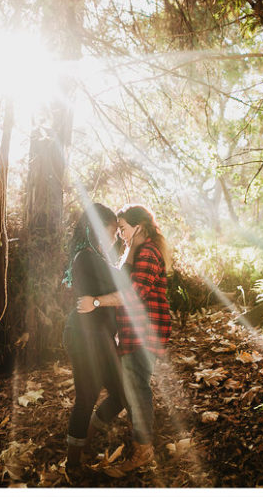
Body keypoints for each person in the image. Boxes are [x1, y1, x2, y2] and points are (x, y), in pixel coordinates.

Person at [76, 204, 172, 476]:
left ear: (138, 227)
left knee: (137, 389)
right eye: (117, 230)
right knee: (125, 389)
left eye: (123, 229)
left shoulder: (149, 253)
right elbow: (121, 277)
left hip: (145, 331)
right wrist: (129, 247)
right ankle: (90, 439)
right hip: (133, 333)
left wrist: (96, 302)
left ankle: (143, 451)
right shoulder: (139, 251)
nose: (120, 235)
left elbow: (134, 294)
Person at [62, 203, 126, 472]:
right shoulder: (86, 257)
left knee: (122, 394)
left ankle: (85, 439)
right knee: (87, 397)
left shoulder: (93, 255)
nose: (114, 239)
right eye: (112, 232)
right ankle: (73, 464)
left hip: (100, 338)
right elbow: (102, 297)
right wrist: (105, 301)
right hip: (85, 337)